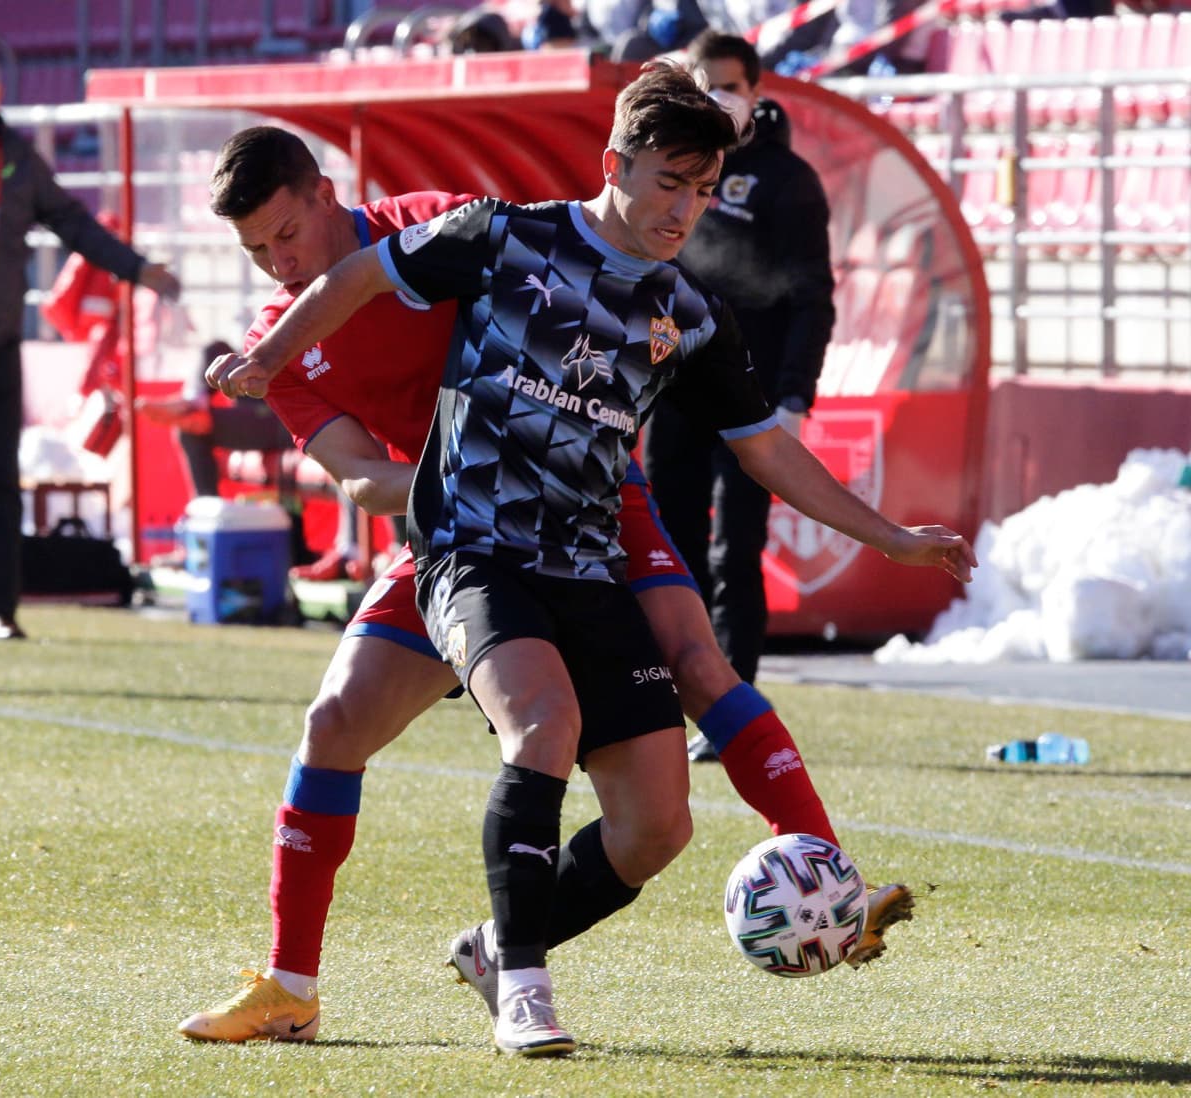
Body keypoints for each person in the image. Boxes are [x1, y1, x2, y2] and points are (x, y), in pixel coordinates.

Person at [206, 68, 975, 1056]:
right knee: (415, 723)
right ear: (614, 167)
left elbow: (769, 451)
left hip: (593, 524)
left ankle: (813, 878)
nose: (683, 210)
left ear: (324, 195)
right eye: (667, 185)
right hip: (465, 531)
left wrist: (894, 538)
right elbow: (359, 456)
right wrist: (272, 357)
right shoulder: (479, 245)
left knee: (666, 798)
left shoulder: (672, 307)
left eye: (699, 192)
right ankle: (326, 984)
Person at [0, 44, 179, 642]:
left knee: (0, 477)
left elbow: (75, 224)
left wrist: (137, 269)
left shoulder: (19, 159)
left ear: (0, 95)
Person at [642, 32, 836, 761]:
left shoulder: (787, 180)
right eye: (705, 83)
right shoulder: (666, 167)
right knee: (667, 545)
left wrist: (794, 392)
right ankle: (662, 697)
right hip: (670, 387)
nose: (718, 96)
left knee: (737, 549)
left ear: (755, 92)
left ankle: (731, 711)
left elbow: (812, 297)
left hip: (750, 396)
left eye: (731, 85)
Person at [136, 339, 294, 499]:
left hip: (284, 417)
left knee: (192, 428)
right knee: (217, 349)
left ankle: (206, 506)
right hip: (260, 397)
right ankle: (193, 400)